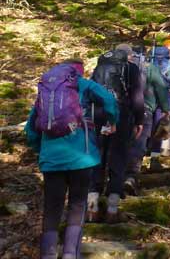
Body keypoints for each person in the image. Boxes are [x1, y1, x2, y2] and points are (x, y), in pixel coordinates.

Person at [25, 58, 118, 259]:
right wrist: (112, 121)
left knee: (52, 208)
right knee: (77, 205)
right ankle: (70, 254)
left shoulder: (47, 90)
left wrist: (40, 149)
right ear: (79, 70)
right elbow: (109, 100)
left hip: (51, 159)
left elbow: (30, 129)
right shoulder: (82, 84)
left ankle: (48, 254)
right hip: (81, 158)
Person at [87, 43, 144, 223]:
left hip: (97, 115)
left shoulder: (100, 66)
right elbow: (137, 96)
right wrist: (139, 120)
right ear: (128, 55)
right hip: (121, 116)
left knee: (96, 159)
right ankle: (112, 210)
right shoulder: (131, 69)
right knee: (118, 159)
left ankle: (92, 209)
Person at [124, 45, 170, 195]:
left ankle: (113, 180)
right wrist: (165, 108)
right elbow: (161, 88)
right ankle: (131, 176)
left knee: (121, 142)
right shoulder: (149, 67)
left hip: (121, 109)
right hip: (145, 109)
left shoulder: (119, 66)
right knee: (139, 142)